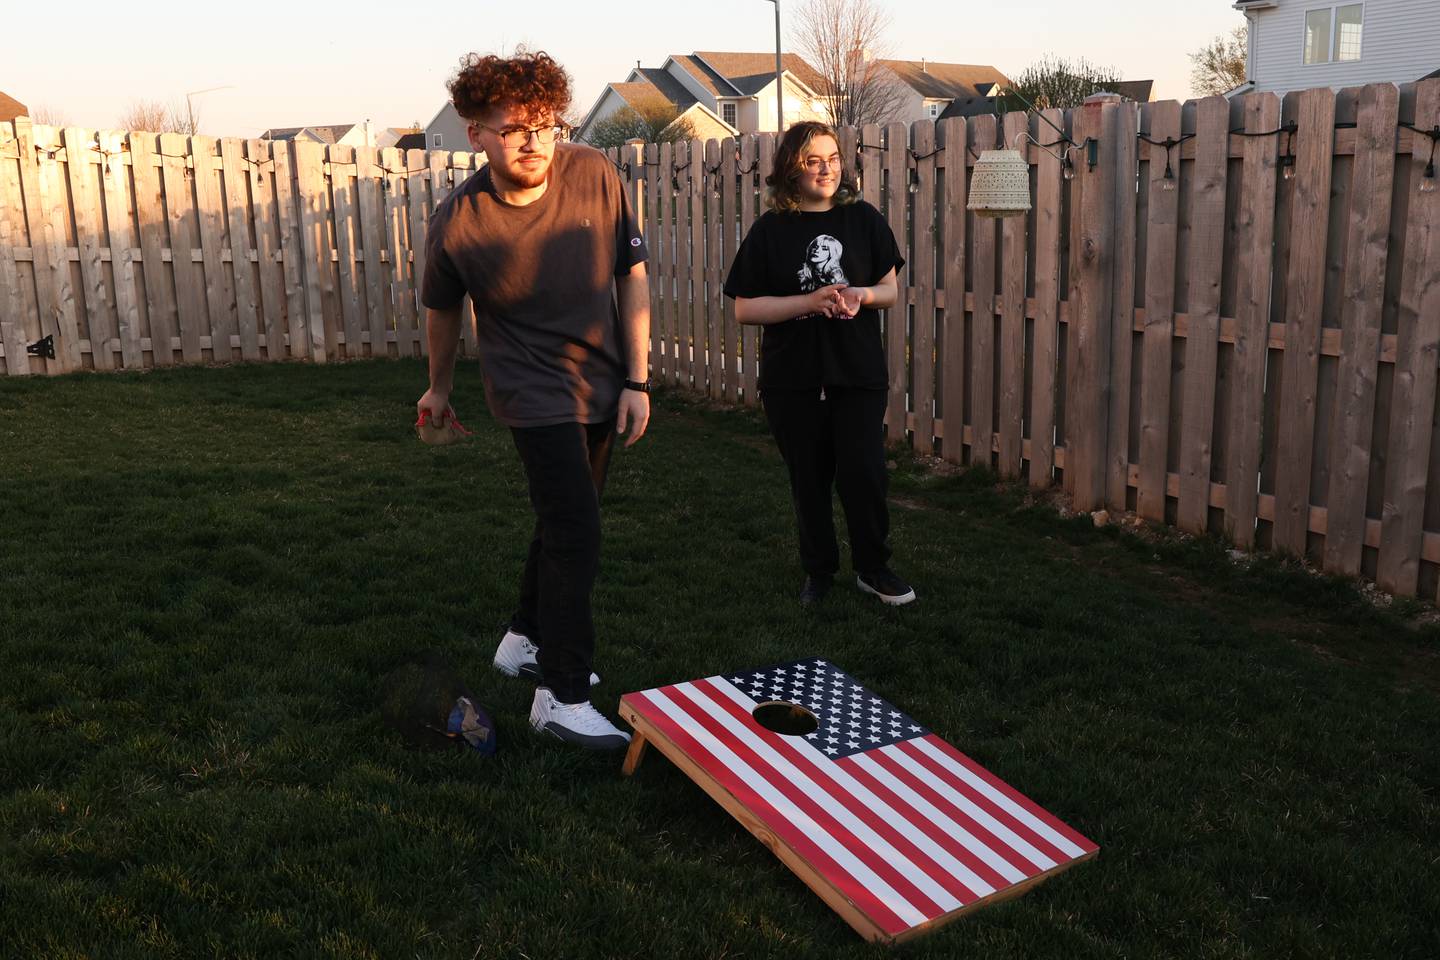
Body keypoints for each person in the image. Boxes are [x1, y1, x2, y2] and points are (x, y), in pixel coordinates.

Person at [417, 49, 650, 750]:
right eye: (515, 128)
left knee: (563, 519)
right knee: (577, 532)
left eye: (546, 125)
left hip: (604, 381)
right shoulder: (457, 221)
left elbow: (631, 276)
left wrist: (638, 380)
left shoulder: (594, 174)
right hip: (529, 390)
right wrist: (438, 386)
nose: (534, 142)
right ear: (476, 133)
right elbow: (442, 311)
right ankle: (561, 693)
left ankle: (522, 638)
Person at [723, 121, 915, 608]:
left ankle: (873, 568)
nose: (826, 169)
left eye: (833, 158)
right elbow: (745, 308)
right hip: (794, 378)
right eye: (813, 161)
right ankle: (819, 571)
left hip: (857, 372)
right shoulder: (771, 231)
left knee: (865, 473)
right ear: (791, 168)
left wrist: (859, 295)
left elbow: (890, 292)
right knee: (808, 480)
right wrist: (808, 302)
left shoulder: (864, 219)